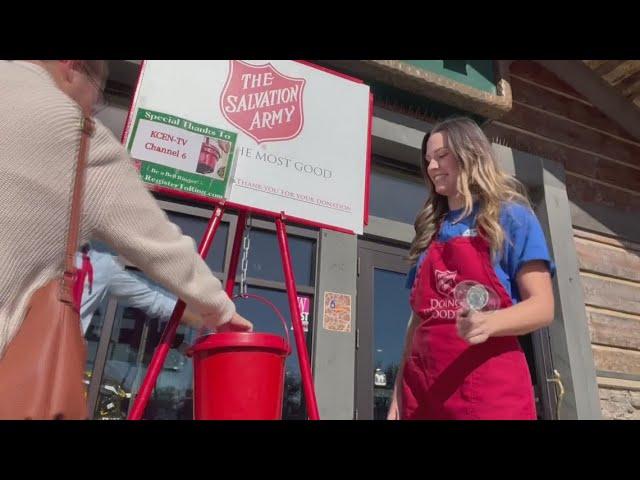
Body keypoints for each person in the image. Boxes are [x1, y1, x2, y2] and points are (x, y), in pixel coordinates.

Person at [0, 60, 252, 368]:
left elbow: (152, 300)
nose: (94, 107)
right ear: (72, 66)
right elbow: (161, 245)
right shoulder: (78, 134)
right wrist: (221, 310)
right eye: (99, 93)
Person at [387, 117, 555, 420]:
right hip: (424, 395)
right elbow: (416, 324)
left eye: (441, 157)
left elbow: (543, 307)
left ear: (470, 155)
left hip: (490, 394)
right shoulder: (429, 232)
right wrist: (398, 392)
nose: (432, 167)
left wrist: (488, 323)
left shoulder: (510, 217)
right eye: (428, 160)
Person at [75, 245, 204, 335]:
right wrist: (208, 322)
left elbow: (159, 302)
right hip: (62, 356)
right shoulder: (100, 264)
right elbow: (158, 302)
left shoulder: (98, 264)